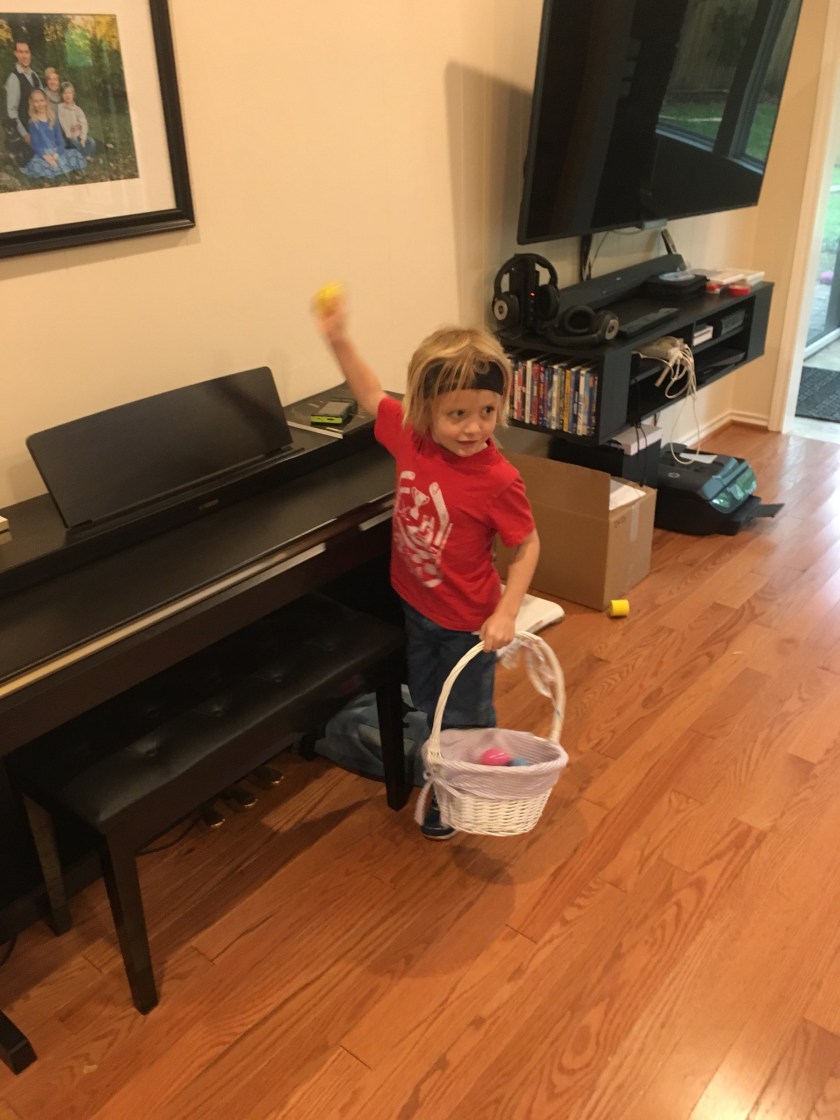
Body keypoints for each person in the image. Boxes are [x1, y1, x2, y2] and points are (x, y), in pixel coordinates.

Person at [314, 292, 540, 839]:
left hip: (468, 625)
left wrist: (507, 613)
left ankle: (458, 791)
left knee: (466, 717)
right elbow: (370, 393)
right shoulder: (410, 437)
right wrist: (339, 338)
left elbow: (527, 546)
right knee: (429, 699)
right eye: (457, 414)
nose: (473, 428)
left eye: (486, 412)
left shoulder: (498, 480)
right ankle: (449, 755)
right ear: (425, 408)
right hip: (417, 606)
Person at [21, 87, 86, 180]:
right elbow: (35, 144)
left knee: (74, 153)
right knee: (37, 165)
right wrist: (47, 158)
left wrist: (56, 155)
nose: (40, 104)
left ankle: (58, 169)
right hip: (43, 154)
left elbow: (61, 141)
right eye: (36, 101)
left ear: (46, 101)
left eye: (42, 100)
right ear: (32, 104)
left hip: (57, 152)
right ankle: (52, 171)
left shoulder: (53, 119)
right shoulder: (32, 122)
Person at [4, 39, 42, 167]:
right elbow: (12, 111)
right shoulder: (14, 78)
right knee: (35, 159)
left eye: (26, 52)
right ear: (16, 54)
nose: (24, 56)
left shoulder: (35, 76)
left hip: (38, 125)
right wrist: (25, 134)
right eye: (20, 52)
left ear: (30, 54)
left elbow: (43, 103)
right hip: (25, 129)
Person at [57, 80, 96, 159]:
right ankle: (83, 156)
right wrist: (70, 135)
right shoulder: (61, 108)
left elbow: (84, 124)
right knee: (74, 143)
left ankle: (85, 155)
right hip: (68, 136)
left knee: (91, 142)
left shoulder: (78, 109)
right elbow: (63, 123)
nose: (67, 95)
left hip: (79, 134)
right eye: (64, 93)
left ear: (73, 95)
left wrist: (83, 138)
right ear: (61, 95)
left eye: (69, 93)